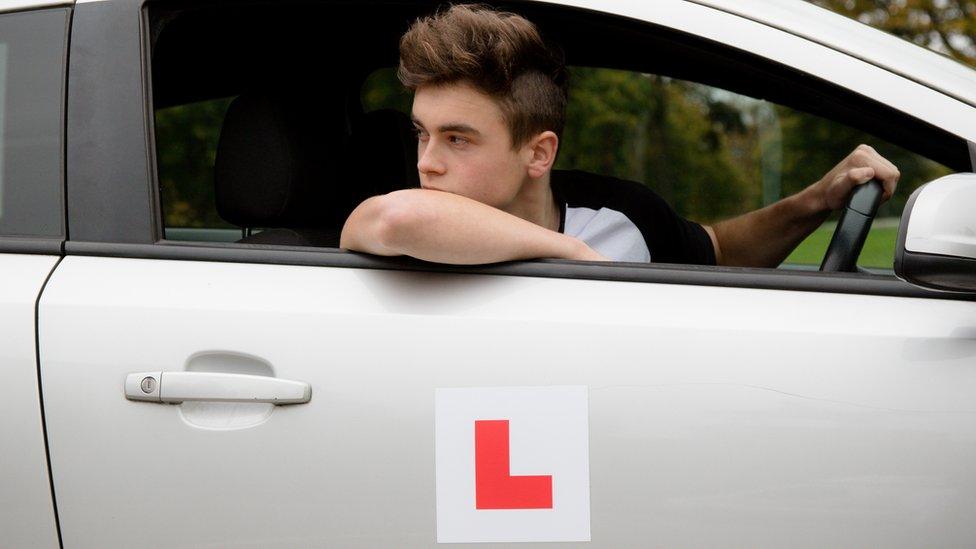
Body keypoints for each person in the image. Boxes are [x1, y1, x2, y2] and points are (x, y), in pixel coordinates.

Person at [340, 4, 900, 267]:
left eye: (458, 139)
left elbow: (720, 250)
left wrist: (817, 199)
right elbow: (395, 220)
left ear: (539, 153)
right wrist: (573, 255)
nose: (427, 163)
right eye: (422, 134)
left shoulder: (619, 216)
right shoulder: (406, 212)